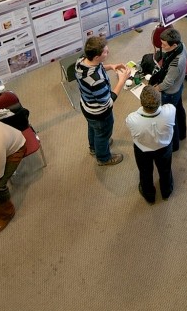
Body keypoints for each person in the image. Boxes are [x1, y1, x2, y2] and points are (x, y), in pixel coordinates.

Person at [75, 35, 131, 166]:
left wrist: (110, 66)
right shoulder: (97, 81)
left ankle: (94, 148)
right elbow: (107, 102)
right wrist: (122, 81)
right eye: (105, 52)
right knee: (103, 134)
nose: (108, 52)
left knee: (93, 129)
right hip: (99, 113)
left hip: (86, 106)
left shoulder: (80, 61)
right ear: (96, 57)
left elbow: (96, 67)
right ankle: (103, 158)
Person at [125, 86, 176, 204]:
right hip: (164, 148)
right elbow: (168, 107)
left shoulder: (132, 119)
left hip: (143, 151)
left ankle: (149, 195)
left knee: (145, 172)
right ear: (159, 102)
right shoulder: (170, 111)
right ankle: (166, 191)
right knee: (165, 170)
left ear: (142, 102)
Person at [146, 27, 187, 151]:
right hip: (178, 87)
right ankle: (182, 133)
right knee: (179, 108)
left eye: (164, 45)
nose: (161, 47)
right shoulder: (181, 46)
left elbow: (168, 83)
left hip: (170, 93)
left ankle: (174, 145)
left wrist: (156, 88)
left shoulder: (175, 63)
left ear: (174, 45)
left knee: (170, 120)